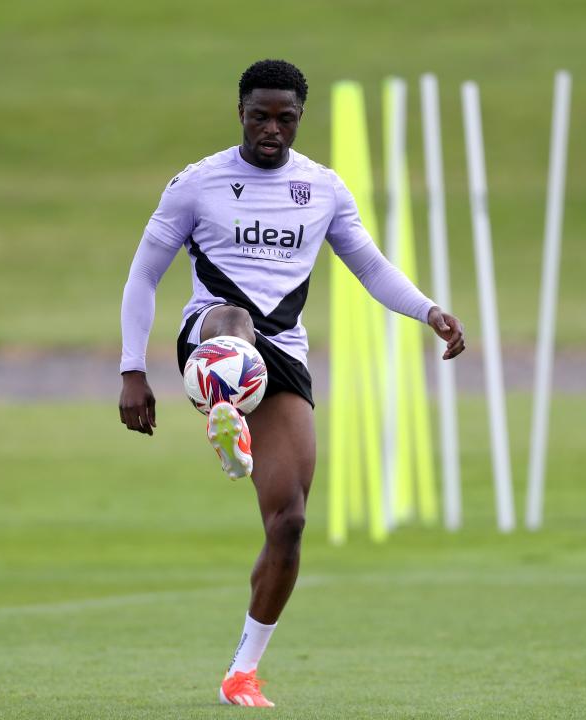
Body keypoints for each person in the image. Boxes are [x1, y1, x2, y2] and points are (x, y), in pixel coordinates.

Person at [118, 59, 465, 707]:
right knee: (233, 319)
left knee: (291, 521)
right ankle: (226, 416)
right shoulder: (199, 184)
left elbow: (369, 264)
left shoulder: (323, 188)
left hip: (284, 360)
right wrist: (131, 370)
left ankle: (243, 671)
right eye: (259, 116)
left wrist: (429, 311)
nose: (272, 129)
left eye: (285, 118)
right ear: (240, 113)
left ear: (300, 118)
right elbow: (144, 275)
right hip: (211, 337)